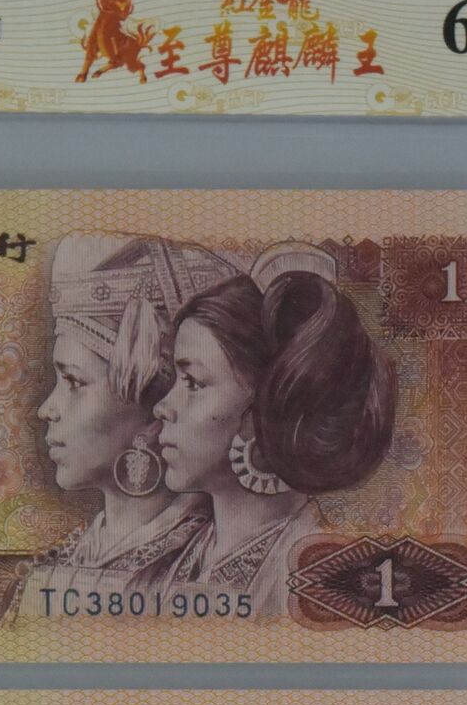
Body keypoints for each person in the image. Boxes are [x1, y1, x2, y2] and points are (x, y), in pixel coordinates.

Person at [147, 244, 396, 617]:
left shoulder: (318, 577)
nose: (162, 407)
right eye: (174, 381)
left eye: (194, 383)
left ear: (265, 407)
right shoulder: (172, 562)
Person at [24, 234, 241, 612]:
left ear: (155, 409)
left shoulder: (214, 569)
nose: (47, 409)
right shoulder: (56, 566)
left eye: (74, 381)